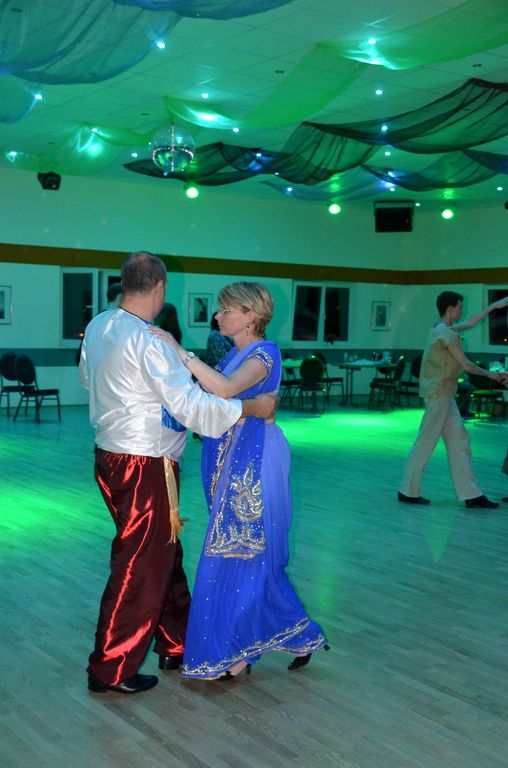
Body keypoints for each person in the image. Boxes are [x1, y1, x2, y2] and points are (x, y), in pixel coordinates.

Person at [79, 252, 277, 695]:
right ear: (160, 287)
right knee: (140, 565)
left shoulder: (98, 325)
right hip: (145, 462)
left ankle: (177, 643)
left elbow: (89, 380)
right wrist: (251, 407)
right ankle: (111, 668)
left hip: (110, 455)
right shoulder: (150, 340)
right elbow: (193, 409)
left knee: (161, 555)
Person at [150, 281, 328, 680]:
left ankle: (238, 649)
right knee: (241, 552)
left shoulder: (265, 353)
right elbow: (211, 397)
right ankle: (287, 635)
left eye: (225, 310)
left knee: (239, 550)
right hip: (227, 456)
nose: (218, 316)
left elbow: (226, 389)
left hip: (253, 461)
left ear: (250, 315)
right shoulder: (234, 354)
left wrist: (181, 352)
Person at [398, 291, 508, 509]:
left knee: (460, 443)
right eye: (460, 307)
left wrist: (492, 307)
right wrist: (493, 375)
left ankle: (471, 494)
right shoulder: (444, 334)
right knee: (425, 443)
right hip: (438, 395)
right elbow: (466, 365)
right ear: (450, 309)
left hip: (446, 396)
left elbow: (469, 323)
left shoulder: (442, 328)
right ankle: (407, 491)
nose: (461, 311)